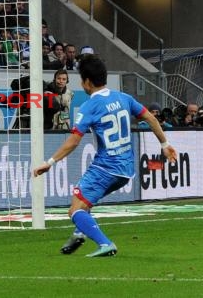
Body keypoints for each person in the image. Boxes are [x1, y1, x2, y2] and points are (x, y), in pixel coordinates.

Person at [33, 55, 177, 257]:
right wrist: (165, 144)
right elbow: (150, 117)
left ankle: (105, 243)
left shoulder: (89, 107)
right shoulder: (123, 97)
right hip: (126, 169)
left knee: (75, 210)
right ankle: (79, 234)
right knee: (85, 202)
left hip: (106, 167)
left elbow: (74, 141)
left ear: (87, 82)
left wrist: (50, 162)